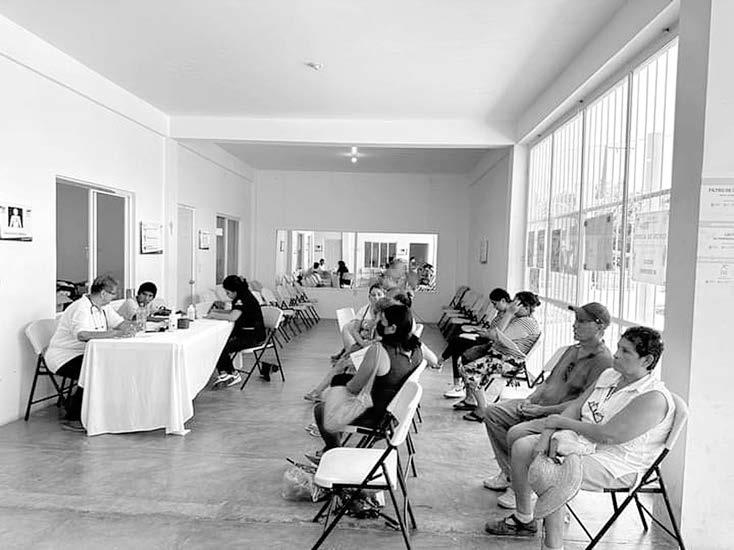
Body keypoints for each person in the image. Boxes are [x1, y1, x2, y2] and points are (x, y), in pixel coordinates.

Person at [485, 327, 674, 549]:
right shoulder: (610, 375)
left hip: (616, 462)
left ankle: (553, 546)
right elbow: (577, 406)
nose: (616, 354)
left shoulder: (653, 397)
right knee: (522, 446)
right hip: (581, 441)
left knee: (554, 473)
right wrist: (547, 434)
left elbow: (608, 435)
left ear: (647, 360)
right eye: (618, 348)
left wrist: (558, 423)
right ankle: (524, 518)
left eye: (626, 351)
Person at [476, 302, 613, 509]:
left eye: (582, 322)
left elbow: (581, 404)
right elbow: (548, 382)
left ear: (599, 326)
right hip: (540, 406)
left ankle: (524, 488)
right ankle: (511, 474)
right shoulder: (572, 350)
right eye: (575, 320)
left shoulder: (603, 361)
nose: (575, 325)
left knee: (517, 433)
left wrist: (542, 411)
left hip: (560, 417)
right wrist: (530, 399)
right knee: (493, 412)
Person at [310, 303, 423, 460]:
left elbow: (354, 388)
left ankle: (333, 452)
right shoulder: (416, 349)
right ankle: (337, 432)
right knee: (338, 380)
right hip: (396, 413)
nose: (378, 324)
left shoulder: (379, 350)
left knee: (321, 410)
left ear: (392, 328)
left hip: (376, 415)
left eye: (382, 321)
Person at [45, 274, 136, 432]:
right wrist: (113, 333)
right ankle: (73, 418)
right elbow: (82, 335)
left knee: (112, 366)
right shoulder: (81, 308)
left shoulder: (104, 307)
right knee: (94, 370)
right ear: (103, 293)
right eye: (113, 293)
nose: (114, 297)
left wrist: (134, 325)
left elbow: (119, 323)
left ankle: (103, 412)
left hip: (85, 354)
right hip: (63, 356)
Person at [444, 291, 541, 400]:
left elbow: (496, 334)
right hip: (498, 353)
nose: (512, 305)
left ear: (526, 308)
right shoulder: (520, 319)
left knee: (468, 368)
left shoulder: (526, 322)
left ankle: (480, 405)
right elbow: (497, 333)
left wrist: (509, 313)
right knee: (464, 356)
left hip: (507, 360)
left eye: (515, 303)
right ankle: (469, 398)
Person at [437, 288, 511, 382]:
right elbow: (494, 329)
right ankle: (454, 377)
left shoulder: (508, 317)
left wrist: (487, 334)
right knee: (456, 342)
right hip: (486, 337)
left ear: (503, 301)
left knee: (456, 343)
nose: (494, 307)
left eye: (495, 304)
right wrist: (485, 331)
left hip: (490, 343)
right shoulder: (501, 313)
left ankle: (443, 362)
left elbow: (499, 334)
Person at [207, 275, 266, 387]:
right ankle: (225, 373)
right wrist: (217, 312)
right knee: (218, 343)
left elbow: (233, 317)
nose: (227, 295)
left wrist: (214, 315)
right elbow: (233, 312)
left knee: (221, 346)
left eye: (228, 292)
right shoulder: (242, 295)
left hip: (253, 336)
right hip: (247, 333)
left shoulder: (242, 299)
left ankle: (232, 373)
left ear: (235, 291)